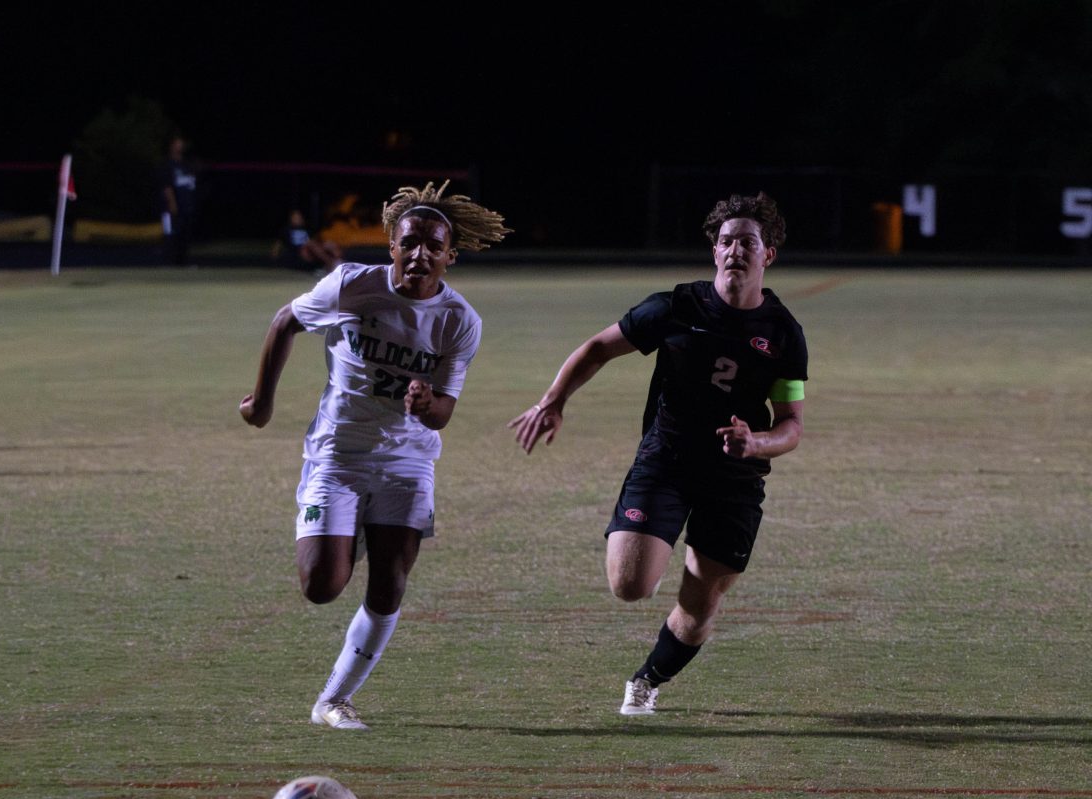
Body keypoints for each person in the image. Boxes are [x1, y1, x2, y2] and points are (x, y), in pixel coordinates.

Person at [509, 192, 807, 716]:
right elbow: (598, 347)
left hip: (734, 479)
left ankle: (647, 680)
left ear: (769, 255)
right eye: (726, 240)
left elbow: (791, 426)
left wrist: (755, 442)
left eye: (748, 242)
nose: (735, 249)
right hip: (665, 461)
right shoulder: (675, 306)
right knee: (629, 585)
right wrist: (552, 402)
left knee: (698, 609)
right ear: (715, 252)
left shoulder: (783, 334)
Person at [240, 181, 509, 730]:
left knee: (388, 584)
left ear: (450, 256)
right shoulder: (349, 286)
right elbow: (283, 322)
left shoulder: (460, 321)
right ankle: (352, 529)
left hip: (406, 461)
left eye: (434, 246)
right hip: (337, 454)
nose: (420, 254)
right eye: (409, 242)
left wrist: (426, 403)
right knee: (321, 587)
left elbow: (443, 414)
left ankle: (334, 700)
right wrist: (262, 402)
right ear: (391, 245)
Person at [160, 135, 199, 265]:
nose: (180, 146)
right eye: (177, 143)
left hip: (186, 207)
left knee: (185, 236)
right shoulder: (167, 165)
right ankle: (168, 263)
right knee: (170, 234)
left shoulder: (186, 165)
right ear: (171, 146)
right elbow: (167, 186)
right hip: (171, 209)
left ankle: (183, 262)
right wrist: (172, 203)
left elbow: (191, 185)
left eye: (181, 143)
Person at [271, 208, 342, 274]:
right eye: (295, 218)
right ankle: (331, 263)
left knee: (329, 244)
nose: (298, 219)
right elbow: (278, 243)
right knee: (310, 244)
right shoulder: (286, 230)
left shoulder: (307, 229)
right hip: (300, 252)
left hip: (312, 249)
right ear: (291, 219)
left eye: (299, 217)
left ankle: (340, 263)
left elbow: (316, 240)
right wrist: (274, 256)